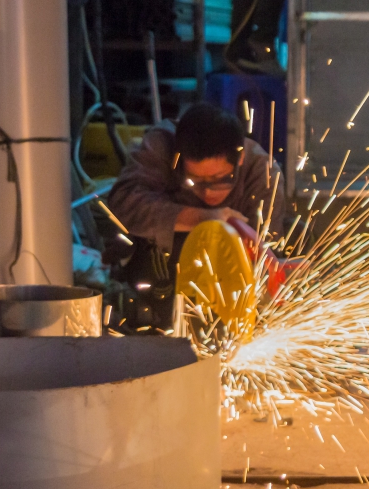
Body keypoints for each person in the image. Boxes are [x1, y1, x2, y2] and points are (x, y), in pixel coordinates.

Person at [109, 102, 285, 328]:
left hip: (231, 282)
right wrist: (202, 218)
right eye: (195, 181)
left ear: (239, 159)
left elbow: (267, 255)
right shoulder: (161, 145)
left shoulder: (264, 172)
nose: (208, 192)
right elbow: (123, 204)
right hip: (160, 267)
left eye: (221, 179)